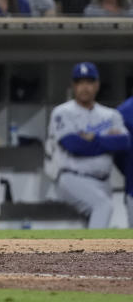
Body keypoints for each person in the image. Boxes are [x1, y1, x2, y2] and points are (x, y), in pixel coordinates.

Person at [45, 62, 130, 228]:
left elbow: (124, 142)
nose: (85, 87)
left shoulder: (110, 114)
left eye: (89, 82)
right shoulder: (62, 112)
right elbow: (74, 146)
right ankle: (95, 253)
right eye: (80, 82)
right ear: (73, 85)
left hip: (103, 181)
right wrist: (106, 140)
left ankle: (85, 253)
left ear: (97, 84)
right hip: (73, 176)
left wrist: (94, 138)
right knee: (103, 206)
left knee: (89, 224)